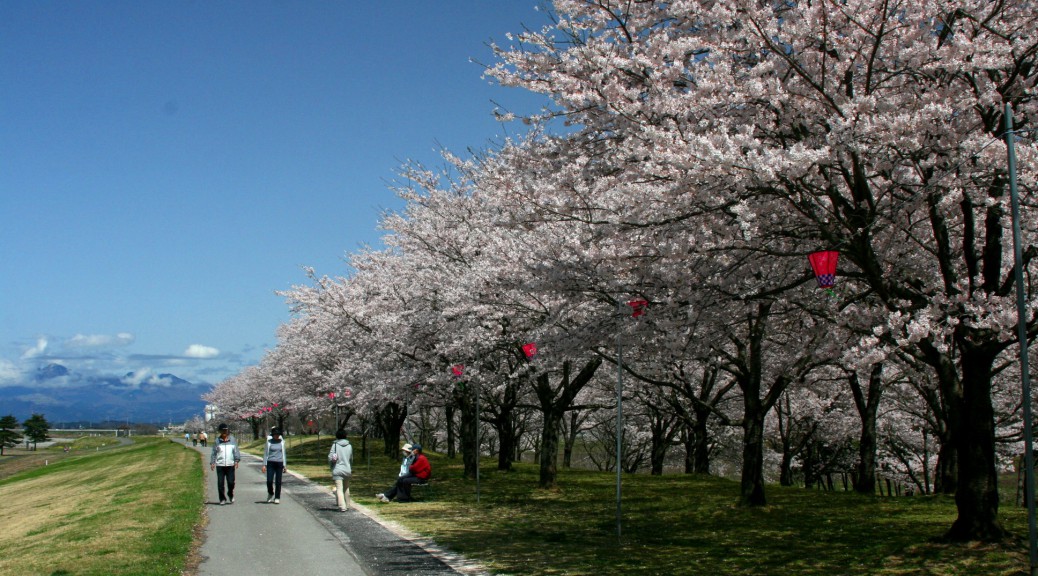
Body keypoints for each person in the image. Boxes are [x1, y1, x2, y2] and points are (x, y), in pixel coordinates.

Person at [210, 423, 240, 505]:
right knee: (220, 483)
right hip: (220, 465)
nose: (224, 432)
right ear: (220, 431)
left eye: (225, 430)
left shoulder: (232, 440)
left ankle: (230, 493)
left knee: (231, 482)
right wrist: (212, 462)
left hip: (230, 465)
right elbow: (214, 452)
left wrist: (236, 460)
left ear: (227, 431)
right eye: (222, 430)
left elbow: (236, 451)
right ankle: (222, 498)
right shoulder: (217, 441)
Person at [328, 430, 353, 512]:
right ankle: (348, 504)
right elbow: (351, 458)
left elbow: (330, 457)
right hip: (347, 469)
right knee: (346, 488)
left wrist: (331, 466)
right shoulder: (349, 446)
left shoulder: (335, 445)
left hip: (337, 469)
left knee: (339, 489)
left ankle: (342, 506)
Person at [262, 427, 287, 504]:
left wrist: (285, 465)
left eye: (278, 434)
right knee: (269, 480)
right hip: (270, 462)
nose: (276, 436)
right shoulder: (269, 442)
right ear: (272, 435)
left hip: (279, 463)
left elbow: (284, 454)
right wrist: (264, 465)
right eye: (275, 434)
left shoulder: (282, 442)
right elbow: (266, 453)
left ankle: (277, 497)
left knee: (278, 481)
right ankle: (270, 492)